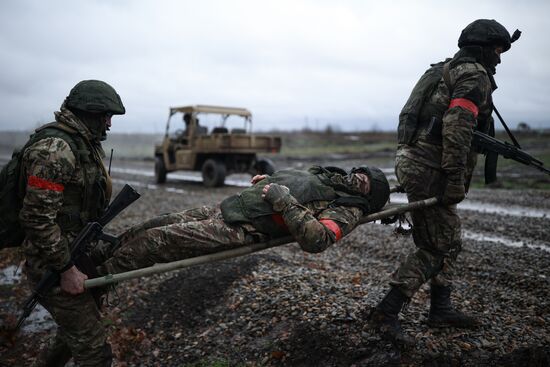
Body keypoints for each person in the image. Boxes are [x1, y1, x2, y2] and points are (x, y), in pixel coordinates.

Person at [368, 19, 520, 346]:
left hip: (414, 160)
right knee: (438, 245)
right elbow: (457, 127)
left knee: (451, 237)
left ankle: (441, 308)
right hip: (430, 168)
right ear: (482, 48)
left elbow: (411, 119)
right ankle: (386, 313)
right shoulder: (474, 75)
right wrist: (453, 176)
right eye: (497, 50)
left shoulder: (441, 70)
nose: (500, 59)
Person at [97, 165, 390, 276]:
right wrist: (269, 180)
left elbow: (317, 239)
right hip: (230, 207)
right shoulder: (328, 175)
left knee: (157, 241)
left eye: (363, 184)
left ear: (366, 197)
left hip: (241, 228)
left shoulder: (347, 209)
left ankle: (99, 278)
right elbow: (295, 183)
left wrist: (283, 199)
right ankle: (97, 255)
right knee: (155, 223)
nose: (356, 180)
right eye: (360, 174)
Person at [19, 80, 125, 366]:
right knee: (94, 352)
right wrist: (66, 269)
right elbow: (37, 217)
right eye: (106, 117)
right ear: (90, 113)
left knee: (70, 337)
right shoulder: (56, 149)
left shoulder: (81, 145)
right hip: (52, 264)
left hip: (74, 251)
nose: (109, 125)